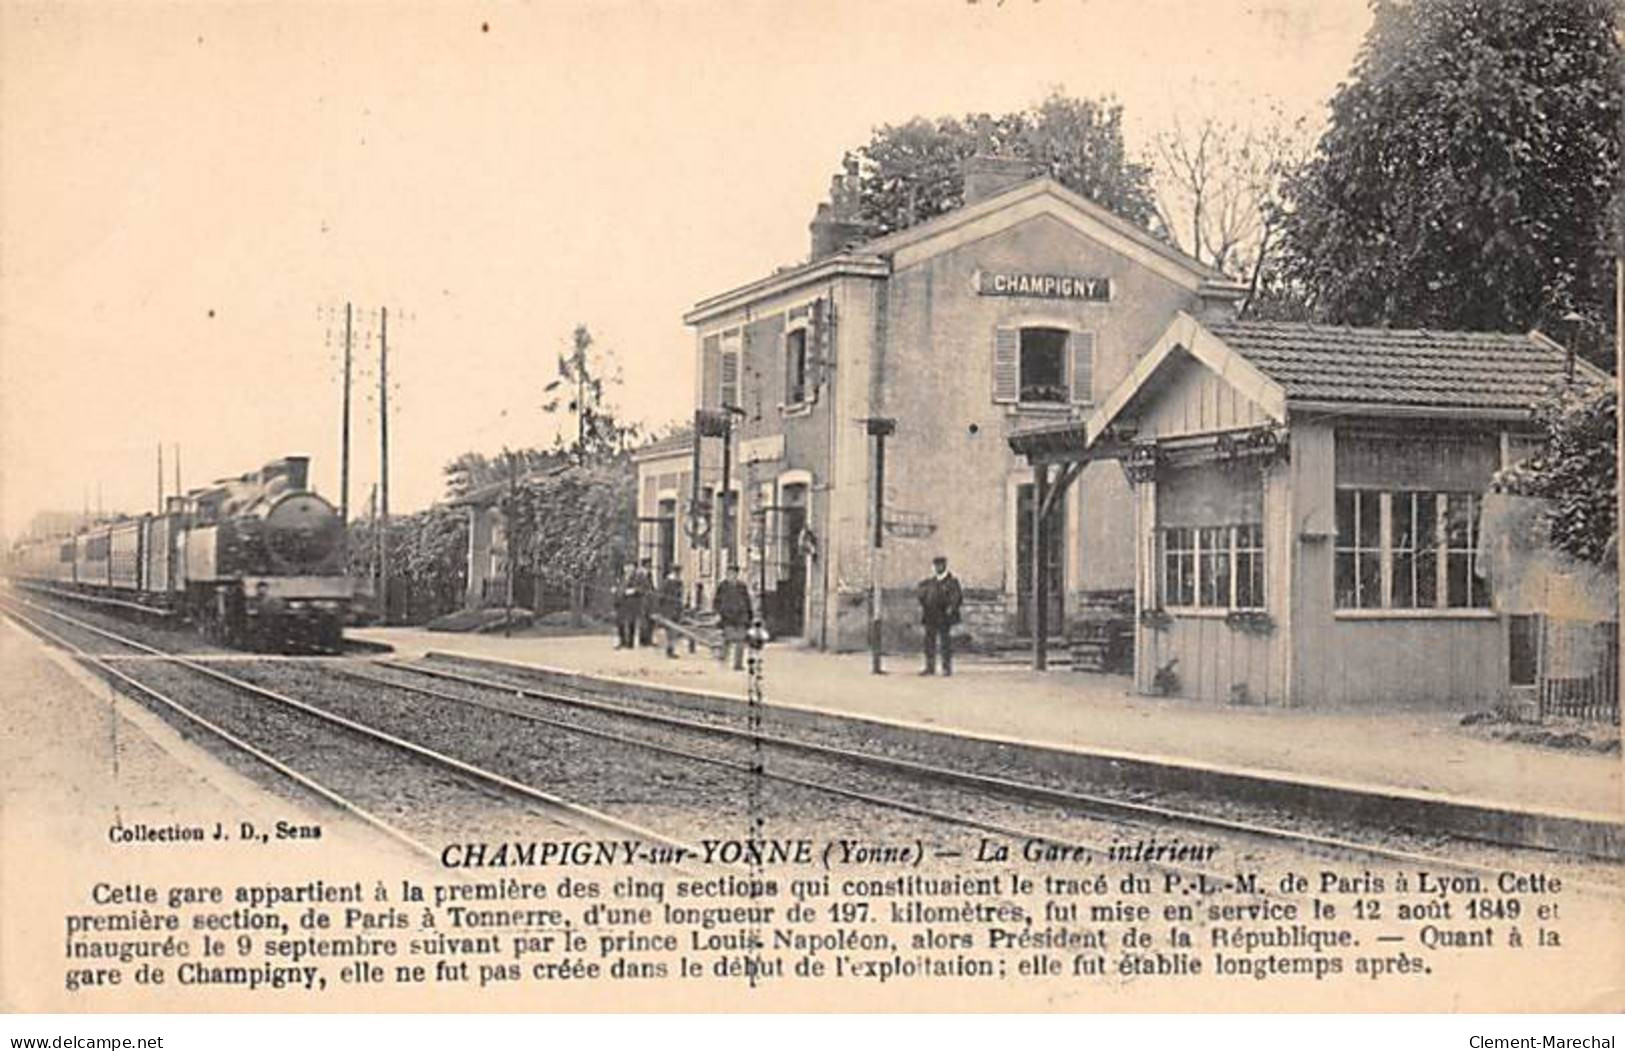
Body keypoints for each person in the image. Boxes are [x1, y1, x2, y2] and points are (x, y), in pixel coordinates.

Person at [917, 554, 962, 676]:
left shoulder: (952, 582)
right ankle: (929, 667)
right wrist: (924, 602)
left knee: (945, 642)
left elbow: (956, 598)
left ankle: (946, 668)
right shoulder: (930, 582)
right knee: (929, 642)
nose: (938, 567)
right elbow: (922, 596)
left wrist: (951, 608)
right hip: (930, 615)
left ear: (945, 566)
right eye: (936, 565)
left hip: (943, 616)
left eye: (940, 565)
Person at [713, 564, 753, 671]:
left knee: (740, 640)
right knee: (728, 639)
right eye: (729, 573)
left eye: (733, 573)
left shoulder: (742, 586)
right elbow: (717, 601)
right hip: (727, 616)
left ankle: (738, 664)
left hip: (741, 616)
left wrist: (749, 615)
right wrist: (717, 613)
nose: (731, 575)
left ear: (737, 574)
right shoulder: (722, 586)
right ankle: (723, 659)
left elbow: (747, 601)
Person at [658, 565, 685, 658]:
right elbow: (661, 597)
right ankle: (669, 650)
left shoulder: (679, 583)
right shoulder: (667, 583)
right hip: (668, 609)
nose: (678, 575)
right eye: (677, 573)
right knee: (670, 631)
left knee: (674, 631)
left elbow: (680, 596)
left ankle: (671, 649)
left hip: (676, 609)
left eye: (679, 573)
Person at [613, 564, 640, 649]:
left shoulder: (636, 579)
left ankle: (630, 643)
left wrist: (634, 591)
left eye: (631, 570)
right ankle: (622, 641)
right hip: (621, 604)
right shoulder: (621, 579)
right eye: (627, 570)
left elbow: (641, 589)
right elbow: (619, 589)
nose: (629, 572)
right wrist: (615, 590)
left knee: (631, 623)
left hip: (631, 604)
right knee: (620, 623)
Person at [633, 558, 657, 646]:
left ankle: (648, 639)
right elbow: (636, 586)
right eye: (648, 565)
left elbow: (651, 586)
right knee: (643, 620)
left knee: (650, 620)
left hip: (649, 600)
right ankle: (643, 640)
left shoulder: (649, 574)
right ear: (645, 565)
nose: (649, 566)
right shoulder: (638, 574)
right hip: (642, 599)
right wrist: (643, 591)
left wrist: (653, 592)